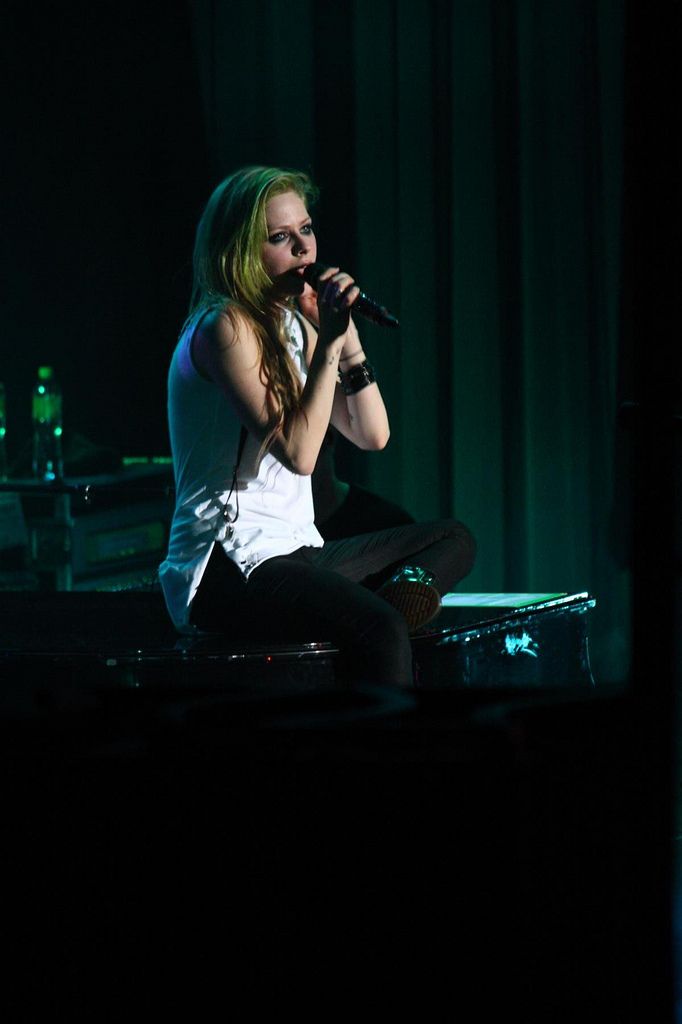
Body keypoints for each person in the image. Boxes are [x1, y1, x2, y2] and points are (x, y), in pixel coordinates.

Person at [158, 165, 475, 688]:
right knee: (381, 630)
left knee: (453, 537)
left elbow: (373, 435)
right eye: (280, 237)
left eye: (306, 229)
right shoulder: (224, 327)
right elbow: (301, 454)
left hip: (295, 551)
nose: (304, 248)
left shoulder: (292, 324)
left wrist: (348, 344)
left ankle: (389, 603)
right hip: (226, 564)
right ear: (241, 252)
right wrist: (327, 340)